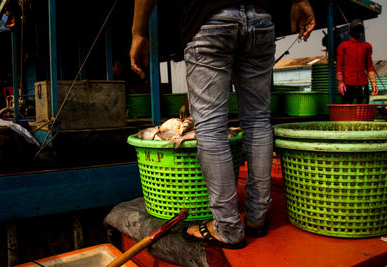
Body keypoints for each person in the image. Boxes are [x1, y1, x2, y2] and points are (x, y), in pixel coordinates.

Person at [130, 0, 315, 249]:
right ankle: (258, 217)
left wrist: (138, 32)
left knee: (210, 127)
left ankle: (227, 226)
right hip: (261, 17)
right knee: (258, 119)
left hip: (210, 16)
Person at [336, 19, 378, 104]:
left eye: (359, 30)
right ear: (350, 31)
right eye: (355, 30)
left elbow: (369, 66)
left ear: (361, 32)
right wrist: (340, 82)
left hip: (363, 83)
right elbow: (339, 65)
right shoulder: (343, 46)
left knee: (362, 111)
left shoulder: (367, 47)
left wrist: (373, 83)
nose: (357, 32)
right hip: (348, 84)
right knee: (347, 112)